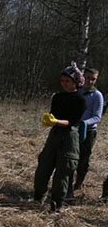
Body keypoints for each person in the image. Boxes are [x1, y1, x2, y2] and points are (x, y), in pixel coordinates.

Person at [33, 62, 86, 212]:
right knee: (43, 166)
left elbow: (73, 121)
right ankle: (38, 198)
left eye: (67, 81)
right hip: (54, 135)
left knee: (63, 172)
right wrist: (49, 119)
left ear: (76, 83)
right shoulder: (58, 97)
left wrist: (56, 121)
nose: (64, 84)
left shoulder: (80, 100)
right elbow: (54, 113)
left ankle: (56, 204)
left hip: (69, 138)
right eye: (62, 81)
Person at [66, 67, 103, 199]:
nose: (89, 81)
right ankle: (67, 186)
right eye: (87, 78)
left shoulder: (97, 95)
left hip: (88, 132)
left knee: (83, 160)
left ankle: (79, 183)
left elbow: (97, 116)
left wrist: (84, 123)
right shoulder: (77, 91)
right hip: (73, 129)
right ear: (83, 77)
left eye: (93, 79)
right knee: (70, 158)